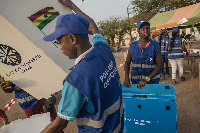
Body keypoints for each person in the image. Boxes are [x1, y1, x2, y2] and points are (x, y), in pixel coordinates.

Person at [42, 0, 124, 133]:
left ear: (73, 39)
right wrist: (71, 5)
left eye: (60, 42)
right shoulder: (103, 49)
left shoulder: (76, 80)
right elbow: (93, 27)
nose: (61, 48)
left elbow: (60, 124)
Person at [123, 20, 162, 89]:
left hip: (152, 83)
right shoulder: (133, 46)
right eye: (143, 29)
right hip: (136, 84)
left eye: (147, 28)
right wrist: (126, 78)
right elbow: (127, 63)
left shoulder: (156, 46)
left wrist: (146, 79)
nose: (146, 30)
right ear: (138, 31)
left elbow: (159, 65)